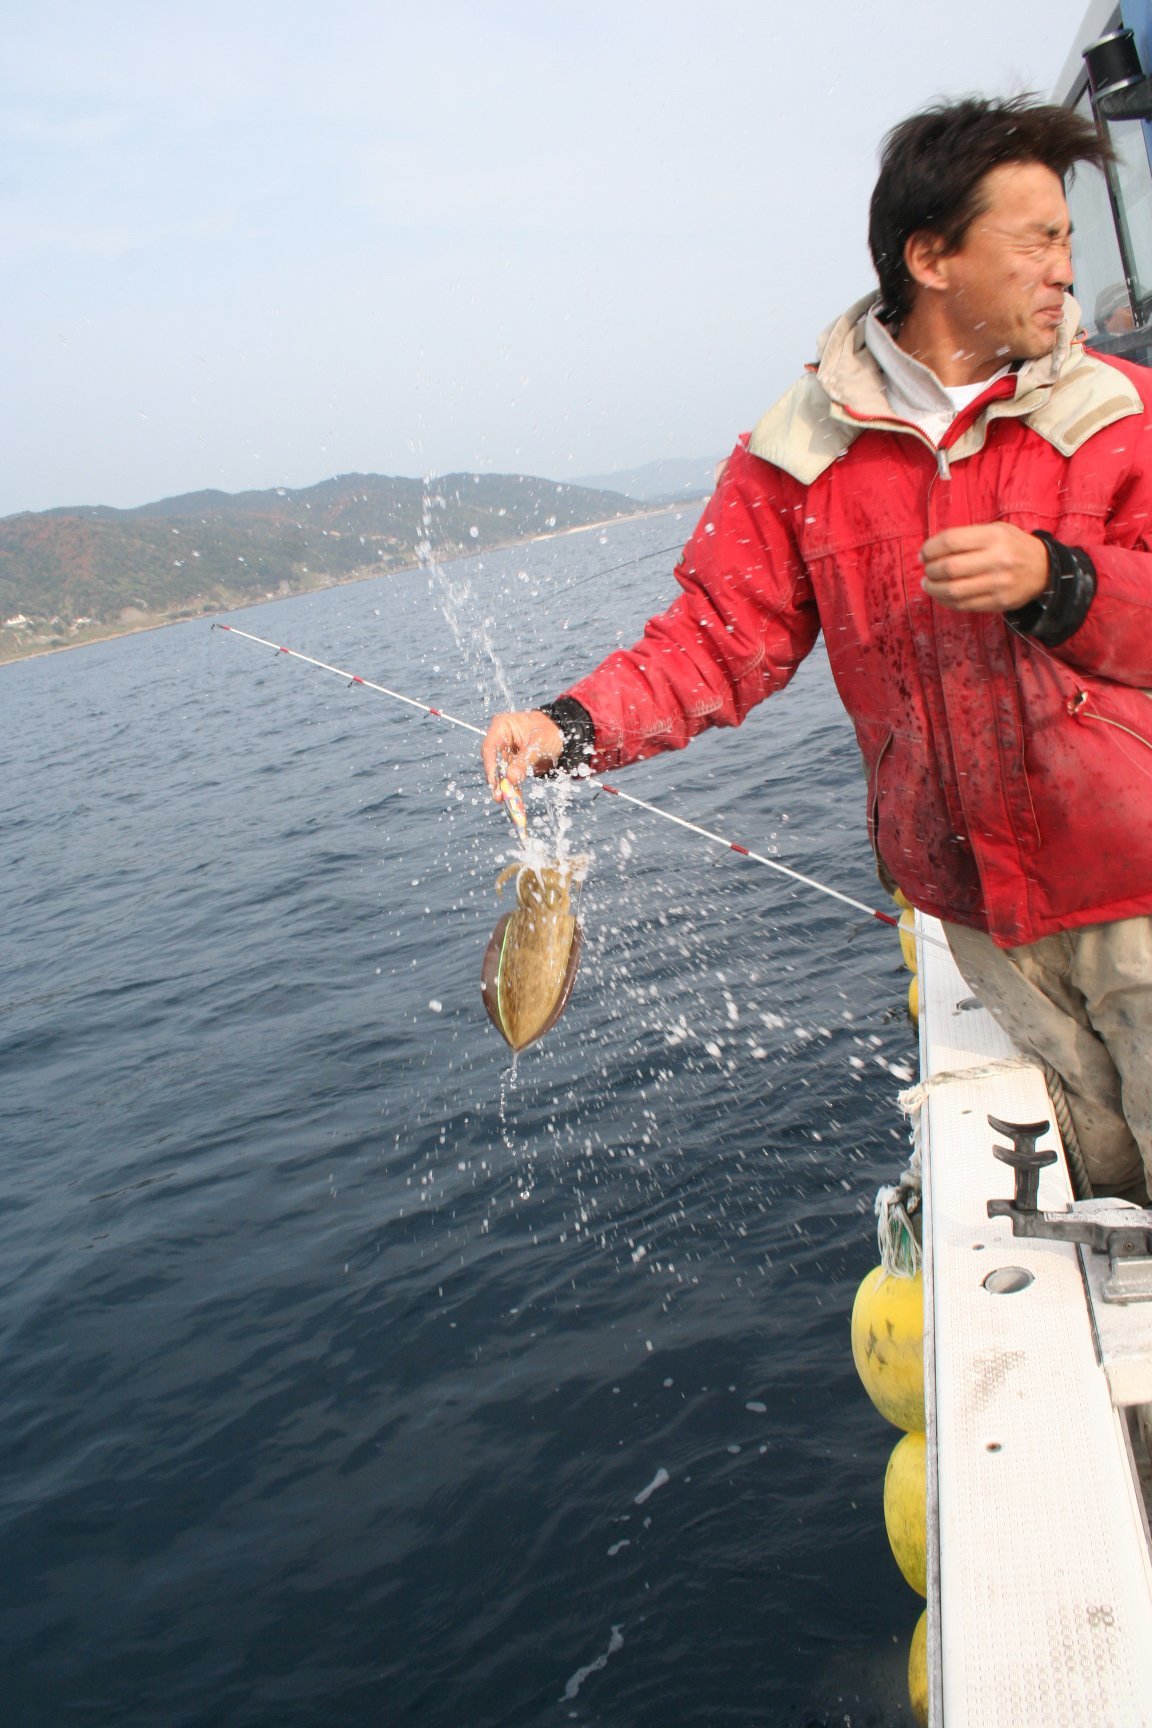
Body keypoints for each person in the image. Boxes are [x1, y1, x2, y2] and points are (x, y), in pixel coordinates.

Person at [481, 97, 1152, 1202]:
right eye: (1037, 238)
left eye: (1067, 238)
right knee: (1100, 1169)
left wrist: (1062, 583)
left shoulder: (1121, 411)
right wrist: (569, 726)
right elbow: (717, 638)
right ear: (931, 256)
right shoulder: (797, 450)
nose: (1065, 269)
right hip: (976, 909)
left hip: (1133, 883)